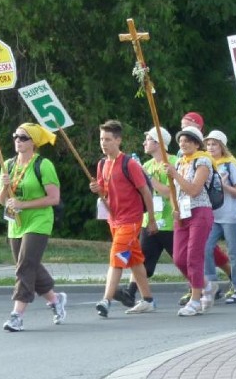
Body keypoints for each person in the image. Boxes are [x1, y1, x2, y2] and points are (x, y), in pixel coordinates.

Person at [0, 123, 67, 332]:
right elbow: (2, 200)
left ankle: (17, 315)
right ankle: (56, 300)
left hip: (39, 221)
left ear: (33, 143)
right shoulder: (8, 165)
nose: (18, 140)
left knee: (25, 265)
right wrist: (4, 186)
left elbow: (54, 198)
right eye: (15, 136)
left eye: (23, 137)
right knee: (30, 265)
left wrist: (23, 204)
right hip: (16, 223)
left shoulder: (43, 165)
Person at [90, 120, 157, 318]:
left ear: (118, 140)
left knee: (117, 257)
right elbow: (104, 191)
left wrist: (151, 220)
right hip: (114, 220)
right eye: (102, 139)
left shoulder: (130, 163)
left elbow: (146, 192)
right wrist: (97, 189)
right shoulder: (102, 163)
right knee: (135, 260)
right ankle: (148, 300)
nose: (104, 143)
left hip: (131, 220)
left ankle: (106, 300)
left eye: (108, 139)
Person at [166, 126, 216, 316]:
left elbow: (194, 189)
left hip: (200, 212)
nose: (183, 144)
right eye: (181, 141)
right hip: (183, 214)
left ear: (196, 143)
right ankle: (205, 284)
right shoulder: (179, 163)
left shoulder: (203, 161)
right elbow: (174, 190)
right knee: (179, 258)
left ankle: (196, 300)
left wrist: (175, 174)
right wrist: (175, 208)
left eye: (188, 140)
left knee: (193, 257)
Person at [124, 127, 177, 305]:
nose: (144, 143)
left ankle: (201, 289)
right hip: (151, 220)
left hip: (170, 221)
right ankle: (130, 293)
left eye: (147, 139)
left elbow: (168, 192)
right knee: (142, 259)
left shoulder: (173, 162)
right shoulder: (146, 165)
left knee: (181, 260)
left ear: (158, 142)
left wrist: (147, 177)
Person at [202, 130, 236, 303]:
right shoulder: (205, 163)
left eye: (214, 144)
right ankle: (211, 285)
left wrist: (223, 185)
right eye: (208, 144)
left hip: (231, 215)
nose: (211, 147)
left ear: (222, 146)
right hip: (213, 215)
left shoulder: (230, 164)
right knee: (205, 248)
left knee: (234, 253)